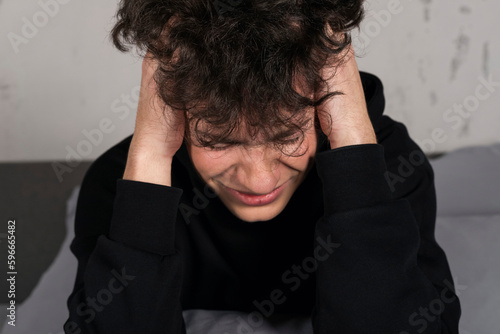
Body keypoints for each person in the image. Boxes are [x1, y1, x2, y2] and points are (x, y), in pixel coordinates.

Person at [64, 0, 461, 333]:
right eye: (219, 141)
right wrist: (149, 152)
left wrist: (355, 143)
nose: (260, 180)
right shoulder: (122, 185)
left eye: (288, 136)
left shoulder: (392, 165)